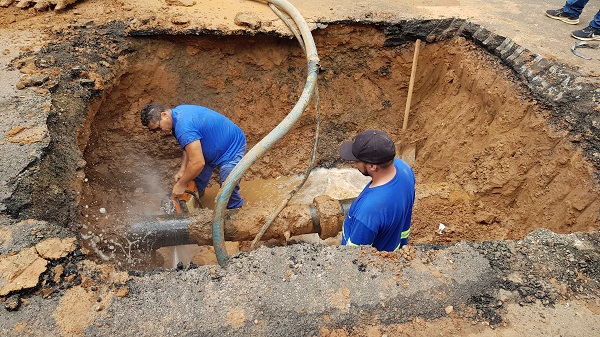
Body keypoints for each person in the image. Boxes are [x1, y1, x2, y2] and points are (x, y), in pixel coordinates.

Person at [140, 104, 246, 209]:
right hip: (212, 146)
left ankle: (234, 212)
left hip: (232, 147)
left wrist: (181, 184)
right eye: (154, 131)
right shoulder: (176, 115)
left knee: (227, 189)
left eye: (158, 127)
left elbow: (198, 163)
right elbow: (188, 146)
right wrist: (182, 170)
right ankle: (197, 203)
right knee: (194, 178)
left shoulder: (184, 127)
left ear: (164, 115)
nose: (158, 133)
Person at [338, 129, 416, 252]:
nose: (355, 164)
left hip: (376, 264)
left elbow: (353, 256)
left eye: (357, 160)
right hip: (395, 249)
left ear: (373, 166)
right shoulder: (404, 169)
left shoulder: (368, 211)